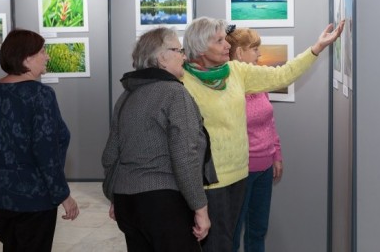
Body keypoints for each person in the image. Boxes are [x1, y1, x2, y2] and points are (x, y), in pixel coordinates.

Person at [182, 17, 344, 252]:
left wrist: (316, 48)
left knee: (229, 242)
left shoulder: (236, 71)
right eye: (219, 41)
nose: (227, 44)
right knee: (215, 246)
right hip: (209, 182)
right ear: (199, 48)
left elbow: (282, 75)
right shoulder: (182, 81)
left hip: (239, 174)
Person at [101, 27, 217, 252]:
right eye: (178, 50)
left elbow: (110, 155)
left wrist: (116, 195)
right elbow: (185, 157)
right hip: (164, 204)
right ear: (161, 57)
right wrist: (200, 208)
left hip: (128, 203)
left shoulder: (126, 96)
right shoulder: (174, 93)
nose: (184, 56)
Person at [0, 29, 79, 252]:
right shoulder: (40, 95)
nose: (47, 56)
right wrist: (63, 194)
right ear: (26, 58)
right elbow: (45, 151)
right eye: (42, 51)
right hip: (33, 196)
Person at [225, 27, 283, 252]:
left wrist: (276, 154)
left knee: (258, 230)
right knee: (233, 231)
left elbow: (270, 122)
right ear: (239, 53)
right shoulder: (228, 87)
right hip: (239, 171)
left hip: (265, 169)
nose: (259, 55)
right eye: (255, 49)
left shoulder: (259, 84)